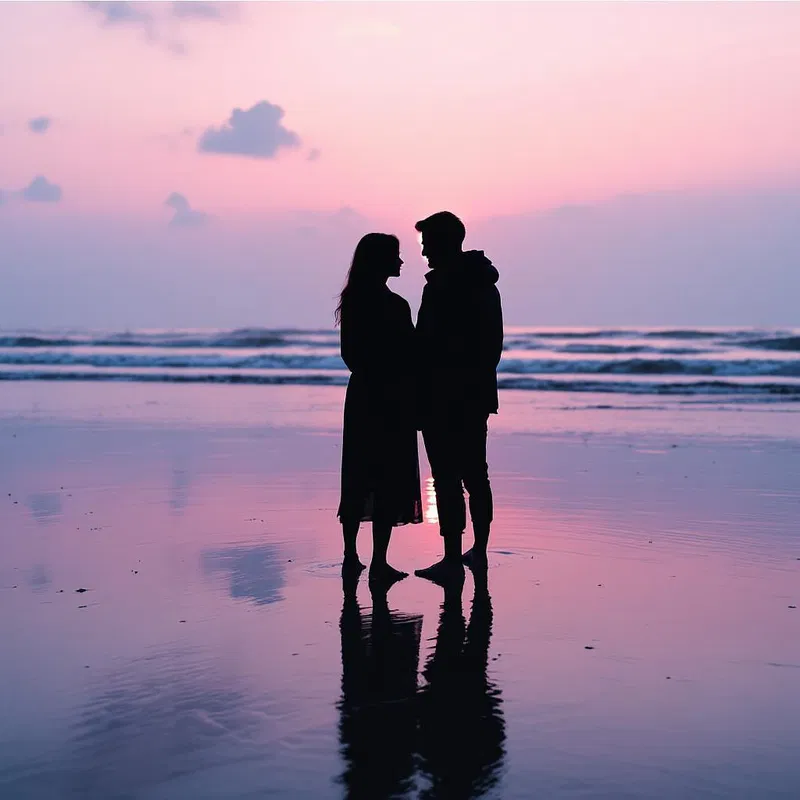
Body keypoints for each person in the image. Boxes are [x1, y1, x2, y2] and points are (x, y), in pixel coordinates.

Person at [413, 212, 503, 582]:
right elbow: (491, 347)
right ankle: (477, 551)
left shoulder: (442, 287)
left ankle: (455, 556)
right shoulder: (483, 284)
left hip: (444, 395)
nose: (423, 251)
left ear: (444, 242)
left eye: (427, 243)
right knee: (474, 475)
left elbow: (425, 345)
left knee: (448, 477)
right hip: (474, 393)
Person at [336, 232, 423, 583]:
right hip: (392, 397)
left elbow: (351, 357)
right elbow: (412, 355)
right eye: (396, 256)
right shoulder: (395, 305)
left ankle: (351, 556)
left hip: (363, 395)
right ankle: (379, 561)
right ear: (381, 260)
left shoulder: (354, 300)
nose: (402, 262)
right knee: (388, 475)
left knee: (359, 473)